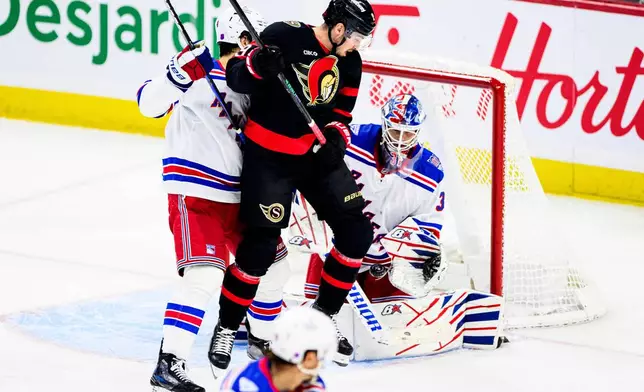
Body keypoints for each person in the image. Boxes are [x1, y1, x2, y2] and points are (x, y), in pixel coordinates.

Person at [208, 0, 377, 376]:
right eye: (356, 37)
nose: (357, 46)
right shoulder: (283, 35)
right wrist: (255, 66)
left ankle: (324, 313)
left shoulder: (350, 63)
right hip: (269, 158)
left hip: (315, 158)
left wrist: (337, 138)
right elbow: (235, 75)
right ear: (338, 28)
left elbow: (341, 117)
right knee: (260, 249)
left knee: (356, 232)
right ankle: (227, 326)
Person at [137, 7, 287, 392]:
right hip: (197, 193)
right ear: (240, 38)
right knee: (205, 276)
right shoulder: (196, 68)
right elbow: (147, 104)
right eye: (255, 39)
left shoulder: (257, 81)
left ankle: (261, 344)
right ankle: (170, 363)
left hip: (245, 198)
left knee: (274, 266)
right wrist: (177, 73)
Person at [248, 93, 447, 362]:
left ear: (418, 132)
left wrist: (402, 256)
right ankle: (255, 317)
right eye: (395, 130)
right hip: (336, 247)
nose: (400, 140)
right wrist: (308, 217)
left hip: (383, 264)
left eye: (407, 134)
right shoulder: (353, 142)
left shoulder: (431, 172)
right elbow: (311, 176)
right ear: (384, 123)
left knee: (396, 331)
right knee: (316, 320)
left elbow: (428, 229)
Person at [220, 307, 335, 392]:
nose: (321, 361)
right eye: (323, 352)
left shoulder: (313, 385)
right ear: (309, 358)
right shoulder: (241, 383)